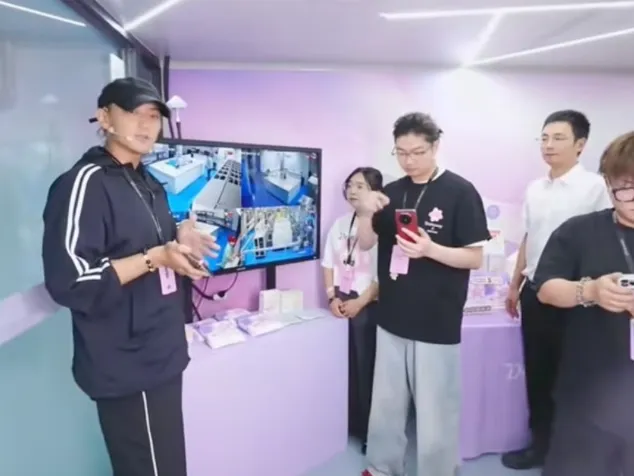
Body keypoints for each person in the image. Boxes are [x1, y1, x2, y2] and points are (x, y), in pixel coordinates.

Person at [41, 77, 219, 476]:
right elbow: (70, 281)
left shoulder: (148, 181)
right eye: (134, 113)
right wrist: (155, 258)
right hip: (126, 362)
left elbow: (150, 240)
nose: (146, 125)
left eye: (154, 116)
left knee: (169, 465)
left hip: (163, 350)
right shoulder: (83, 183)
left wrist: (180, 236)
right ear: (105, 118)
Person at [356, 113, 490, 476]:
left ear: (435, 146)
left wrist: (430, 250)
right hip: (392, 312)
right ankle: (381, 467)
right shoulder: (392, 191)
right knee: (386, 403)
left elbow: (474, 257)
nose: (409, 160)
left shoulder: (460, 191)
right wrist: (365, 213)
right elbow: (366, 243)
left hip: (436, 317)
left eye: (417, 152)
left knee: (436, 408)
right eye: (401, 152)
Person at [502, 110, 611, 470]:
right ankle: (540, 447)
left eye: (558, 138)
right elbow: (528, 238)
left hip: (577, 299)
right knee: (539, 374)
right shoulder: (535, 188)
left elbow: (607, 242)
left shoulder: (596, 188)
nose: (548, 145)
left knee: (574, 379)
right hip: (535, 293)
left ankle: (571, 454)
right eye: (544, 138)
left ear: (581, 145)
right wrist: (515, 284)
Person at [533, 131, 634, 476]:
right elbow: (546, 289)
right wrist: (590, 291)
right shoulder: (579, 231)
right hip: (588, 389)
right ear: (608, 184)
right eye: (626, 188)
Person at [321, 166, 382, 453]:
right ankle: (348, 425)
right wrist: (331, 297)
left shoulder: (383, 226)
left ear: (375, 192)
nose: (353, 191)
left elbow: (384, 276)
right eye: (350, 185)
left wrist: (361, 302)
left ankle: (371, 432)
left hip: (369, 305)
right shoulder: (340, 223)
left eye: (360, 186)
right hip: (342, 302)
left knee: (367, 370)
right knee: (343, 368)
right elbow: (328, 263)